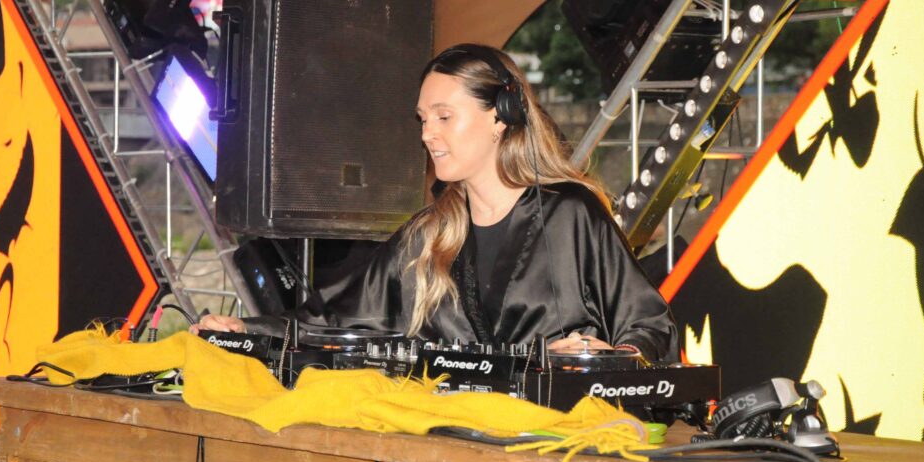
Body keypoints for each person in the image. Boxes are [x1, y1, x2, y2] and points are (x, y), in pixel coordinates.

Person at [197, 44, 676, 359]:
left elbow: (649, 328)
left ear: (500, 117)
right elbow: (332, 323)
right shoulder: (426, 236)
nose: (428, 134)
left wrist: (602, 359)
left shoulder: (569, 213)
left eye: (444, 116)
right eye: (423, 119)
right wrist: (246, 332)